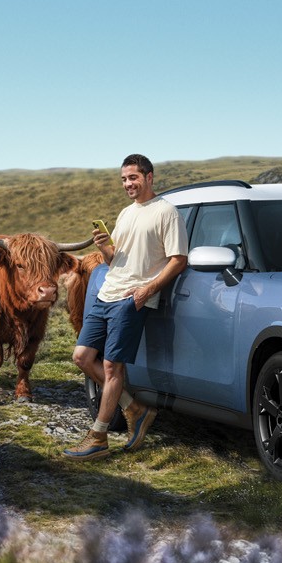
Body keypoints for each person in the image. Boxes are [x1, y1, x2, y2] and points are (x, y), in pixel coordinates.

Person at [64, 153, 188, 461]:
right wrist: (104, 245)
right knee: (81, 356)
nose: (127, 184)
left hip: (132, 298)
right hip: (108, 292)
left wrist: (147, 290)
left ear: (149, 177)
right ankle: (135, 408)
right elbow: (114, 259)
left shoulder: (166, 212)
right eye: (123, 179)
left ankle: (98, 436)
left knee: (112, 365)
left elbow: (178, 260)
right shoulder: (126, 213)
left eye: (132, 177)